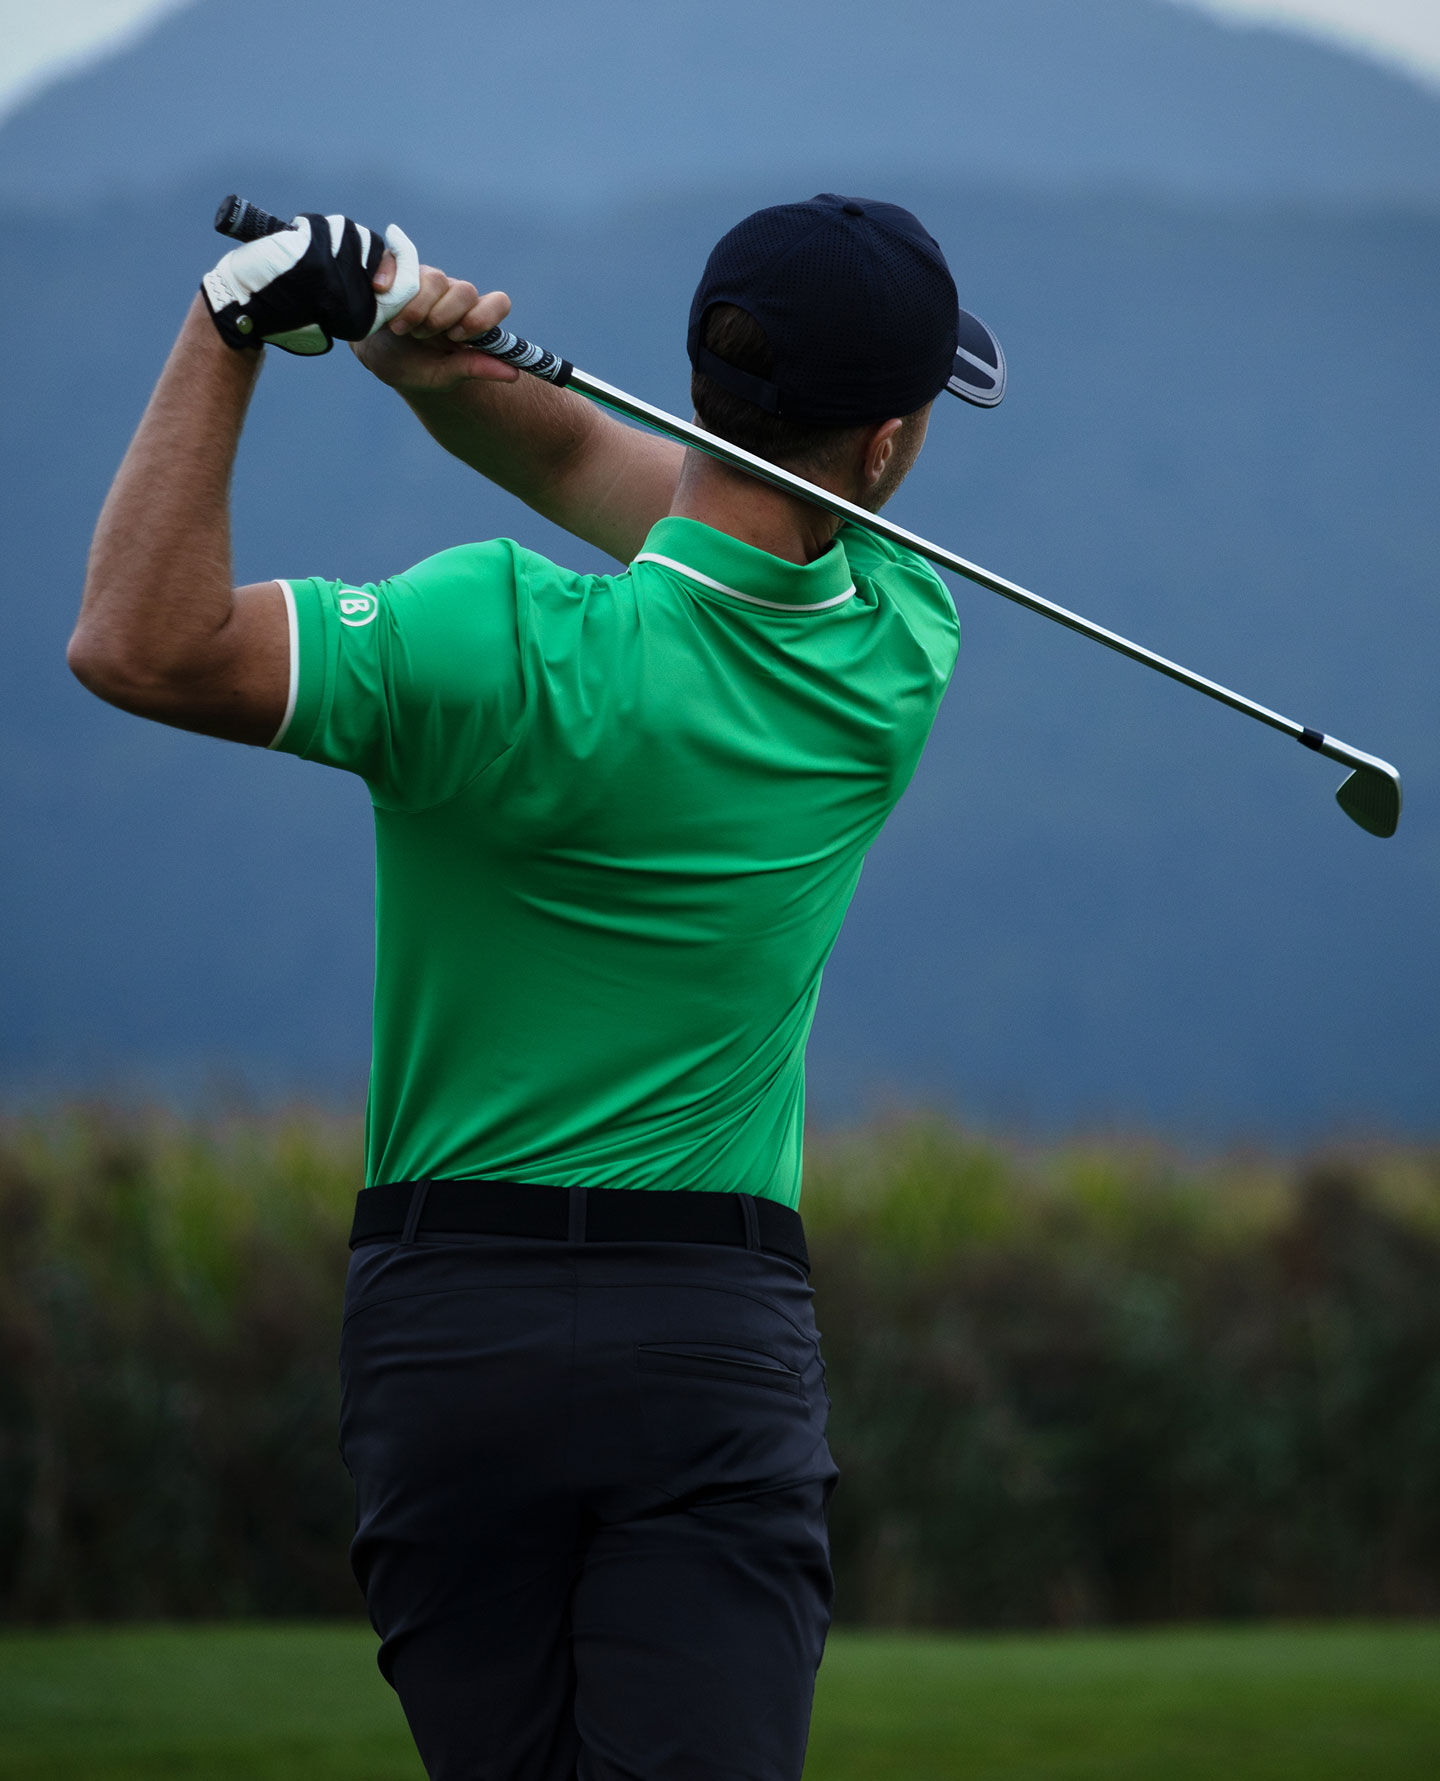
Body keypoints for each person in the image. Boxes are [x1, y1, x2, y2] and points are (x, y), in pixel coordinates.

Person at [69, 193, 1004, 1781]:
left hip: (446, 1333)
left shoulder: (483, 637)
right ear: (891, 447)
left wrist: (240, 321)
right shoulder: (897, 653)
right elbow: (636, 490)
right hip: (709, 1336)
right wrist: (439, 376)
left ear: (708, 373)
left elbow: (138, 643)